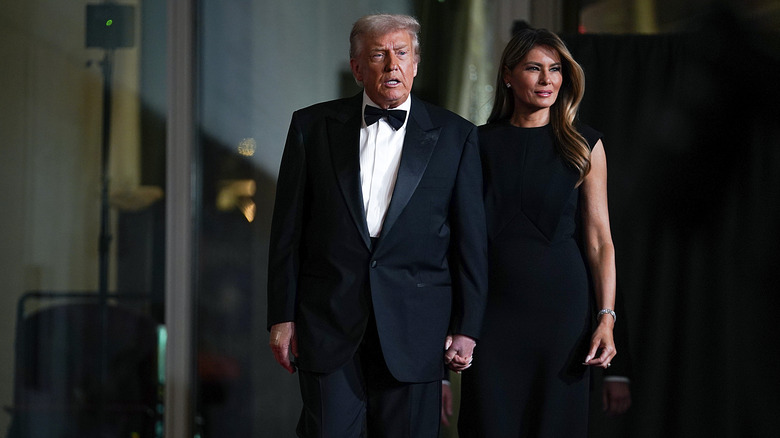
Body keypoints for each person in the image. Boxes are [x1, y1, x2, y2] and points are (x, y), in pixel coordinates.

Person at [267, 14, 488, 438]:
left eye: (402, 53)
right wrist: (281, 316)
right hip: (327, 321)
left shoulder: (456, 136)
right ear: (356, 68)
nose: (392, 65)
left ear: (416, 63)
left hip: (416, 328)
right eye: (378, 55)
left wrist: (467, 326)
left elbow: (470, 242)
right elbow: (287, 232)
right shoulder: (311, 126)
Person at [458, 27, 617, 437]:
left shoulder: (584, 144)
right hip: (492, 314)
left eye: (556, 69)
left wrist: (606, 318)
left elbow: (600, 241)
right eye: (534, 68)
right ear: (508, 76)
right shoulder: (476, 143)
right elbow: (460, 239)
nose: (547, 79)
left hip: (563, 316)